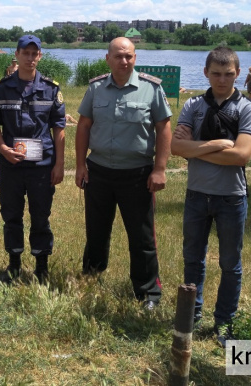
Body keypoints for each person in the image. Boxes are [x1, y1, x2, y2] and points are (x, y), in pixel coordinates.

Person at [170, 46, 251, 346]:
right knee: (192, 260)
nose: (222, 80)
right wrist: (218, 145)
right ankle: (190, 315)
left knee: (230, 263)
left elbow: (242, 156)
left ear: (237, 73)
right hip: (197, 195)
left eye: (229, 74)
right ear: (206, 72)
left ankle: (225, 322)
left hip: (231, 197)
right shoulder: (193, 105)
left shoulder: (246, 108)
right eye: (216, 74)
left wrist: (197, 147)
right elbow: (176, 148)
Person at [75, 37, 171, 309]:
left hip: (138, 175)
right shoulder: (95, 88)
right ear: (108, 59)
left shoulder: (151, 89)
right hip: (99, 172)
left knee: (141, 238)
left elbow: (164, 127)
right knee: (96, 231)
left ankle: (148, 292)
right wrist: (81, 165)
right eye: (118, 56)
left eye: (128, 56)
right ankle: (90, 280)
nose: (123, 61)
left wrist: (160, 169)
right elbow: (83, 126)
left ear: (135, 58)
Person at [0, 34, 65, 283]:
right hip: (11, 165)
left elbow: (59, 128)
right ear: (17, 54)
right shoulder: (1, 88)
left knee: (40, 216)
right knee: (11, 215)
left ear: (40, 56)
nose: (30, 58)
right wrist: (2, 148)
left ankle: (41, 267)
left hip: (42, 166)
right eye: (26, 53)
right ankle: (13, 265)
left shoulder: (51, 88)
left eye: (35, 54)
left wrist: (59, 164)